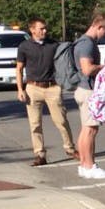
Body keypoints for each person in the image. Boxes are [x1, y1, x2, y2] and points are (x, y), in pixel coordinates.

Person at [15, 17, 78, 166]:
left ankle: (70, 148)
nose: (45, 30)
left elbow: (64, 62)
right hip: (32, 88)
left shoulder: (53, 44)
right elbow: (19, 68)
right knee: (35, 124)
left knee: (61, 121)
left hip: (52, 87)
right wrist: (20, 89)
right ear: (32, 30)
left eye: (45, 28)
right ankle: (39, 154)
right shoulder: (24, 46)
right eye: (41, 28)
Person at [74, 12, 105, 179]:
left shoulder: (82, 42)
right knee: (91, 129)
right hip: (88, 90)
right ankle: (90, 165)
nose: (104, 35)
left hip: (82, 89)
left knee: (86, 129)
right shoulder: (87, 44)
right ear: (99, 27)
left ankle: (84, 165)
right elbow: (87, 69)